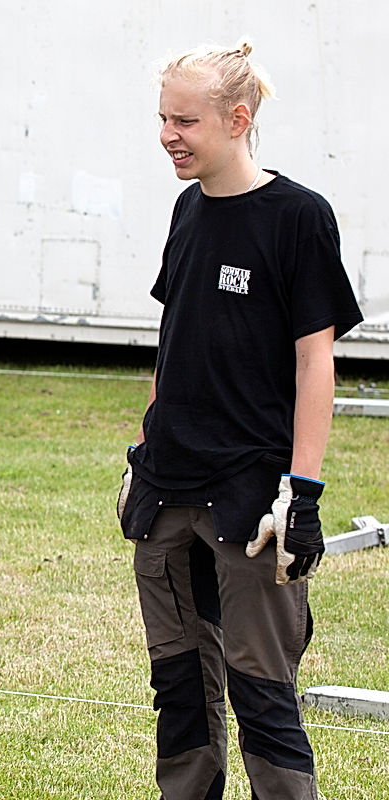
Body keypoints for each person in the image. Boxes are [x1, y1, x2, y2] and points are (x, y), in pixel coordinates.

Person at [117, 40, 363, 800]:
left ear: (238, 118)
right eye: (162, 117)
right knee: (180, 693)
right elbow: (175, 340)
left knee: (262, 695)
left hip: (250, 500)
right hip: (167, 491)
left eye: (185, 120)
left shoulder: (298, 217)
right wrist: (140, 453)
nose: (168, 135)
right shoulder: (186, 209)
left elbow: (314, 363)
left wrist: (304, 492)